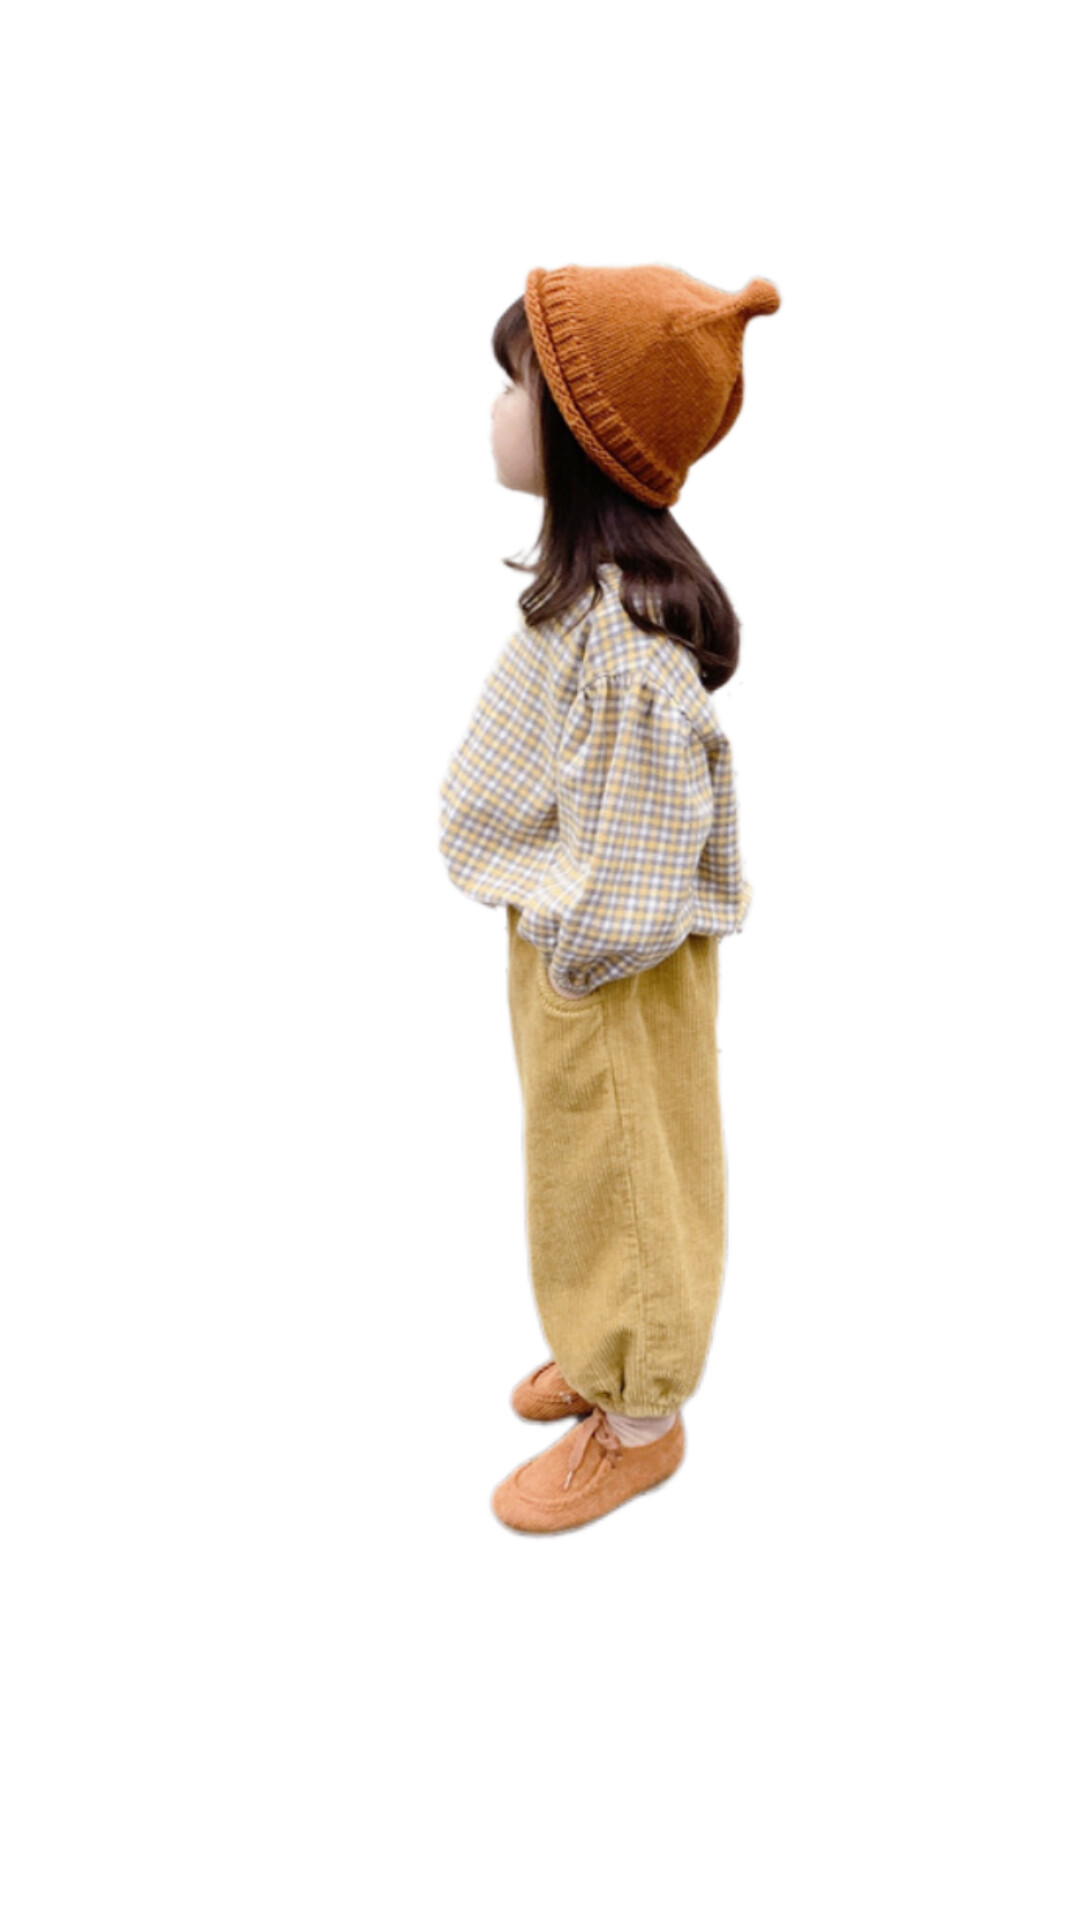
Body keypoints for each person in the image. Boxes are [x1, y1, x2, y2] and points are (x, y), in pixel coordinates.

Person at [439, 262, 780, 1534]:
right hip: (567, 936)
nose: (492, 408)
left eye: (513, 386)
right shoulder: (584, 608)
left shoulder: (629, 654)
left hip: (605, 953)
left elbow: (641, 847)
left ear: (582, 436)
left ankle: (640, 1414)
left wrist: (578, 957)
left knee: (628, 1162)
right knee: (578, 1165)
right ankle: (597, 1346)